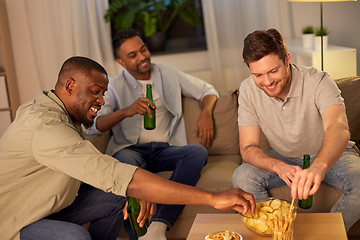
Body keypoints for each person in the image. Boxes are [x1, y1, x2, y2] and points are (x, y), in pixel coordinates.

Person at [0, 56, 255, 240]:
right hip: (18, 219)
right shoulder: (45, 125)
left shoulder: (59, 110)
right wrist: (213, 198)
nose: (100, 101)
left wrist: (130, 188)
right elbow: (112, 172)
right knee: (74, 236)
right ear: (69, 86)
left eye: (103, 93)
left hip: (51, 204)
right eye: (96, 92)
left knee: (124, 193)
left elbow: (96, 172)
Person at [85, 29, 218, 240]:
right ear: (121, 62)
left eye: (143, 50)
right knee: (125, 170)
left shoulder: (169, 73)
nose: (142, 57)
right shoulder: (113, 86)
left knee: (197, 152)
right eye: (132, 55)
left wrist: (205, 113)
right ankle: (140, 237)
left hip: (166, 149)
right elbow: (93, 125)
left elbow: (207, 90)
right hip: (129, 150)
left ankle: (158, 227)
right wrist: (126, 111)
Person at [232, 28, 360, 232]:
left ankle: (325, 236)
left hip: (332, 155)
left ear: (287, 59)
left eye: (273, 71)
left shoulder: (318, 81)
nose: (267, 82)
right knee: (242, 176)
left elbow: (339, 128)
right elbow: (248, 148)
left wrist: (318, 167)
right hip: (285, 157)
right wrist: (279, 167)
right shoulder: (247, 90)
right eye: (258, 74)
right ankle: (279, 232)